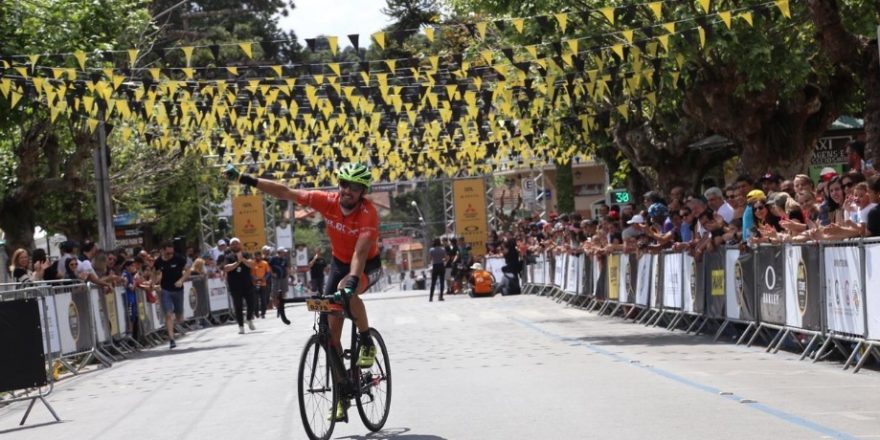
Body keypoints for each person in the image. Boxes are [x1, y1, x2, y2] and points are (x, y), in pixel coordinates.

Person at [226, 162, 384, 422]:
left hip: (367, 264)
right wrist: (246, 179)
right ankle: (342, 394)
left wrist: (353, 281)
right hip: (339, 263)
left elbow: (360, 252)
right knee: (330, 336)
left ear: (362, 190)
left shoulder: (368, 213)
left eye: (355, 187)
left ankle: (366, 341)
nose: (347, 190)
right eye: (344, 184)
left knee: (347, 291)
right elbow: (285, 192)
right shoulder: (328, 201)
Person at [152, 241, 190, 349]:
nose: (170, 255)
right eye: (168, 253)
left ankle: (177, 322)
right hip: (166, 290)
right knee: (168, 314)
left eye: (171, 253)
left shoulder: (179, 258)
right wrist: (154, 284)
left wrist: (181, 280)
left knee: (179, 316)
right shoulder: (158, 261)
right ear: (163, 251)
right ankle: (172, 339)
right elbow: (154, 272)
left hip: (178, 290)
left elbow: (188, 270)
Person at [222, 238, 257, 334]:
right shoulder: (228, 257)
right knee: (238, 306)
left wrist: (243, 260)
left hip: (247, 284)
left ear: (240, 244)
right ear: (230, 246)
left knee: (251, 304)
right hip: (235, 286)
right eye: (233, 244)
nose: (235, 245)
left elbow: (252, 265)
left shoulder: (246, 254)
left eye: (236, 243)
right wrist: (237, 262)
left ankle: (249, 318)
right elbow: (226, 268)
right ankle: (241, 326)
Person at [251, 250, 271, 319]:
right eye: (256, 256)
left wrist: (264, 278)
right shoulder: (252, 264)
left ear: (260, 256)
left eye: (258, 256)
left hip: (263, 284)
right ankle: (256, 313)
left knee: (263, 299)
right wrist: (254, 278)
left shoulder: (265, 263)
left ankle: (263, 313)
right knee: (255, 300)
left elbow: (268, 272)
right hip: (255, 284)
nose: (257, 257)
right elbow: (250, 273)